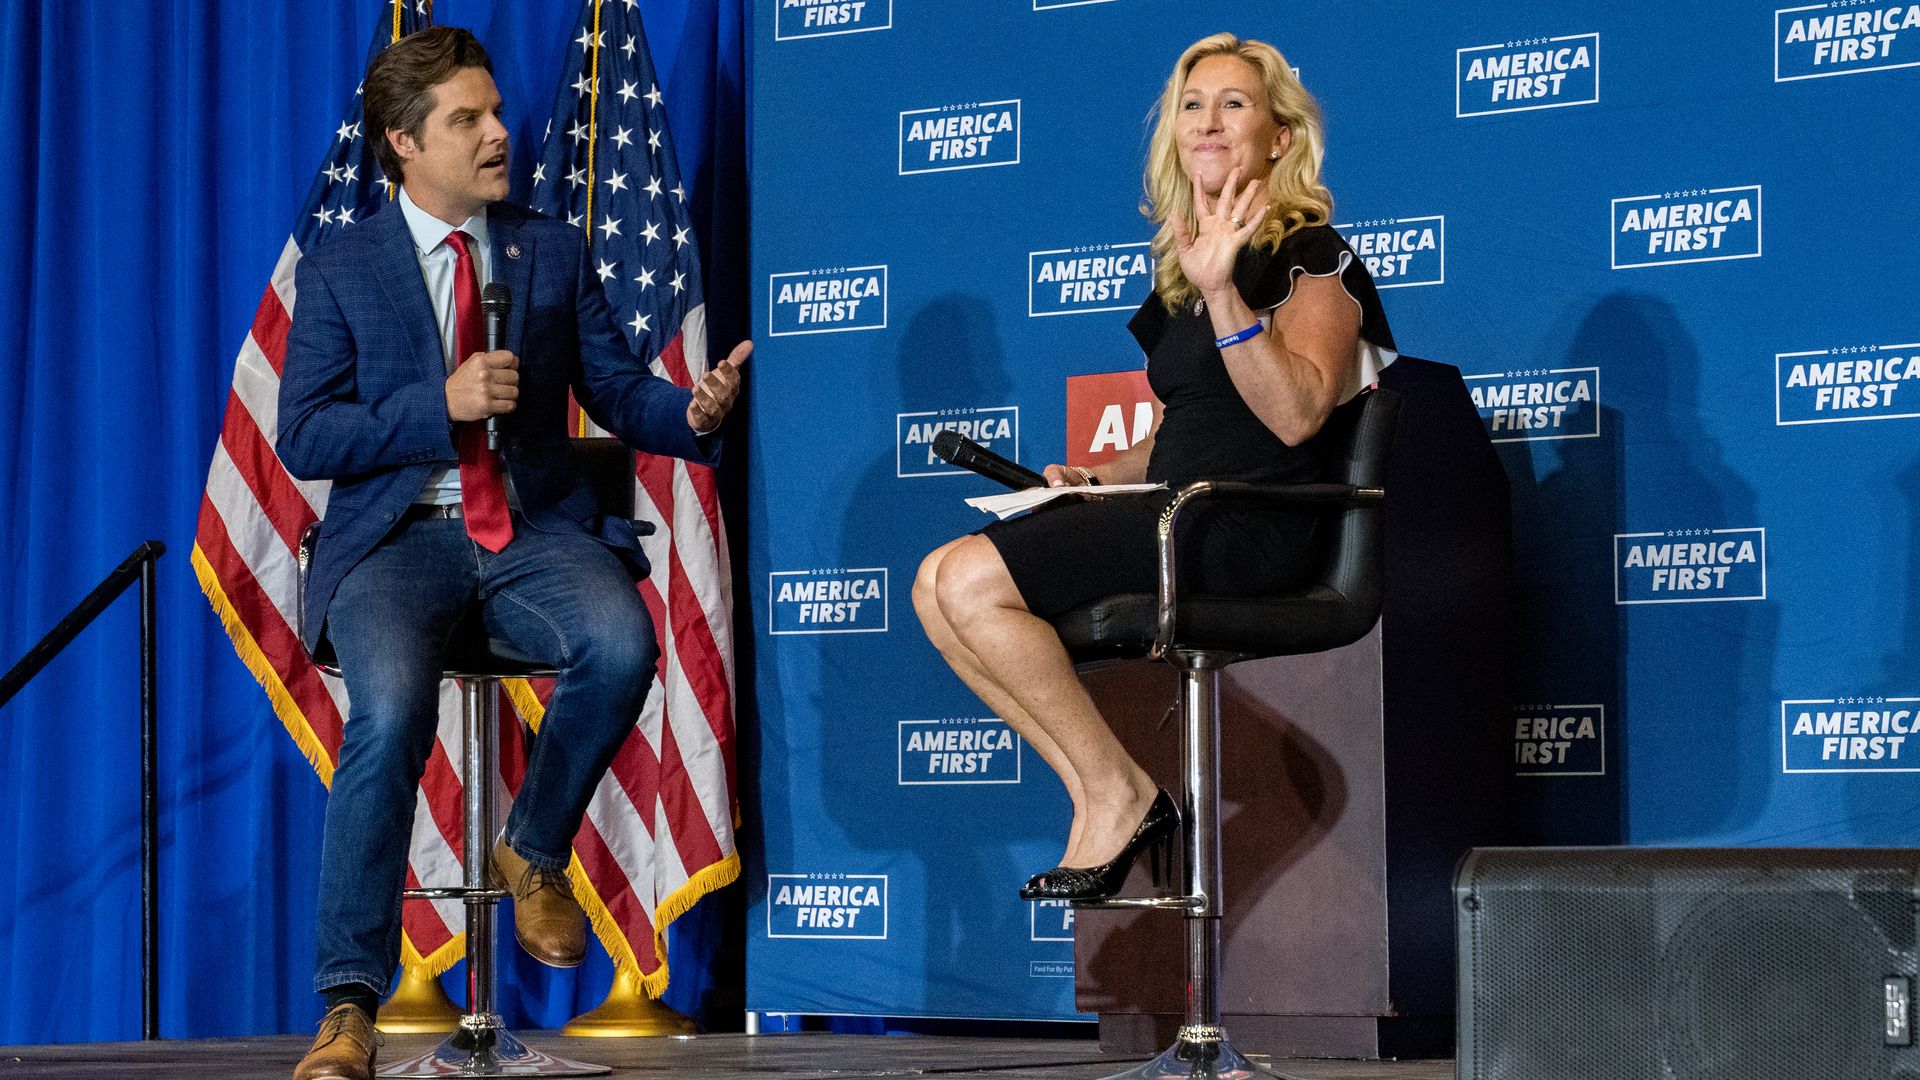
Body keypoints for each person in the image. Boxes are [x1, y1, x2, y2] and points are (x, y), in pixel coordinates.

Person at [276, 27, 747, 1080]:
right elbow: (305, 433)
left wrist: (694, 410)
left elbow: (620, 391)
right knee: (390, 711)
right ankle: (348, 1008)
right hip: (397, 541)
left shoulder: (548, 248)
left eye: (496, 111)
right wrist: (429, 408)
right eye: (468, 121)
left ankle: (532, 849)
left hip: (531, 532)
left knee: (623, 642)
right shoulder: (347, 263)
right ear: (403, 142)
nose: (500, 133)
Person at [913, 33, 1395, 903]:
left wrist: (1223, 294)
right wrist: (1096, 477)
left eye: (1235, 103)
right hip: (1177, 504)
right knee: (935, 584)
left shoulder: (1313, 256)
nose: (1208, 121)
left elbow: (1294, 415)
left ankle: (1118, 793)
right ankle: (1107, 789)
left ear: (1280, 137)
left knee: (973, 581)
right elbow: (1190, 427)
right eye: (1191, 105)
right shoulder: (1180, 275)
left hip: (1246, 528)